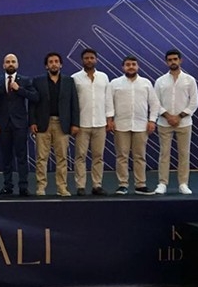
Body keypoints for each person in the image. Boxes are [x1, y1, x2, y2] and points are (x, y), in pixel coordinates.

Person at [107, 56, 160, 195]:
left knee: (140, 156)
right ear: (123, 67)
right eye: (128, 64)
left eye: (133, 64)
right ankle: (122, 184)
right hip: (121, 125)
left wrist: (152, 120)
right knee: (121, 156)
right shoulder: (115, 83)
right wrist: (110, 120)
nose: (131, 67)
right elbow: (109, 103)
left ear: (138, 67)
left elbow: (155, 104)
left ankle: (140, 185)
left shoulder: (146, 83)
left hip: (141, 125)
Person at [29, 52, 79, 197]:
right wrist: (32, 121)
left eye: (56, 61)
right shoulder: (38, 81)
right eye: (51, 62)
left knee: (62, 158)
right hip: (43, 123)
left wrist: (75, 123)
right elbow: (32, 104)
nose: (54, 64)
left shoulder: (69, 81)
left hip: (62, 124)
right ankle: (41, 187)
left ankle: (62, 187)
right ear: (46, 66)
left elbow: (74, 103)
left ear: (61, 65)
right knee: (41, 158)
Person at [0, 53, 38, 197]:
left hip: (20, 124)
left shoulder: (25, 80)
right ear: (3, 65)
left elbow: (35, 97)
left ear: (17, 64)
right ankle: (7, 186)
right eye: (8, 62)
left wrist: (19, 89)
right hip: (3, 124)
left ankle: (23, 186)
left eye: (13, 61)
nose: (10, 64)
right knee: (6, 157)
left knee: (22, 156)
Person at [154, 49, 198, 195]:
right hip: (164, 123)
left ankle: (183, 184)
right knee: (164, 153)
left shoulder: (189, 80)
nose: (173, 62)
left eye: (175, 59)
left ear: (180, 60)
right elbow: (155, 102)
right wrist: (168, 116)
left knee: (184, 154)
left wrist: (179, 117)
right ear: (166, 62)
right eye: (170, 60)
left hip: (184, 123)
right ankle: (162, 183)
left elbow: (194, 103)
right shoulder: (160, 81)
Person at [71, 48, 112, 196]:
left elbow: (108, 99)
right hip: (82, 124)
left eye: (92, 58)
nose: (89, 60)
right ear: (82, 60)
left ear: (96, 60)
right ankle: (80, 186)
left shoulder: (103, 77)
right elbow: (72, 103)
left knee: (98, 156)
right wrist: (73, 123)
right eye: (86, 58)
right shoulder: (75, 78)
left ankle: (97, 185)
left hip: (100, 123)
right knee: (80, 156)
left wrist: (109, 118)